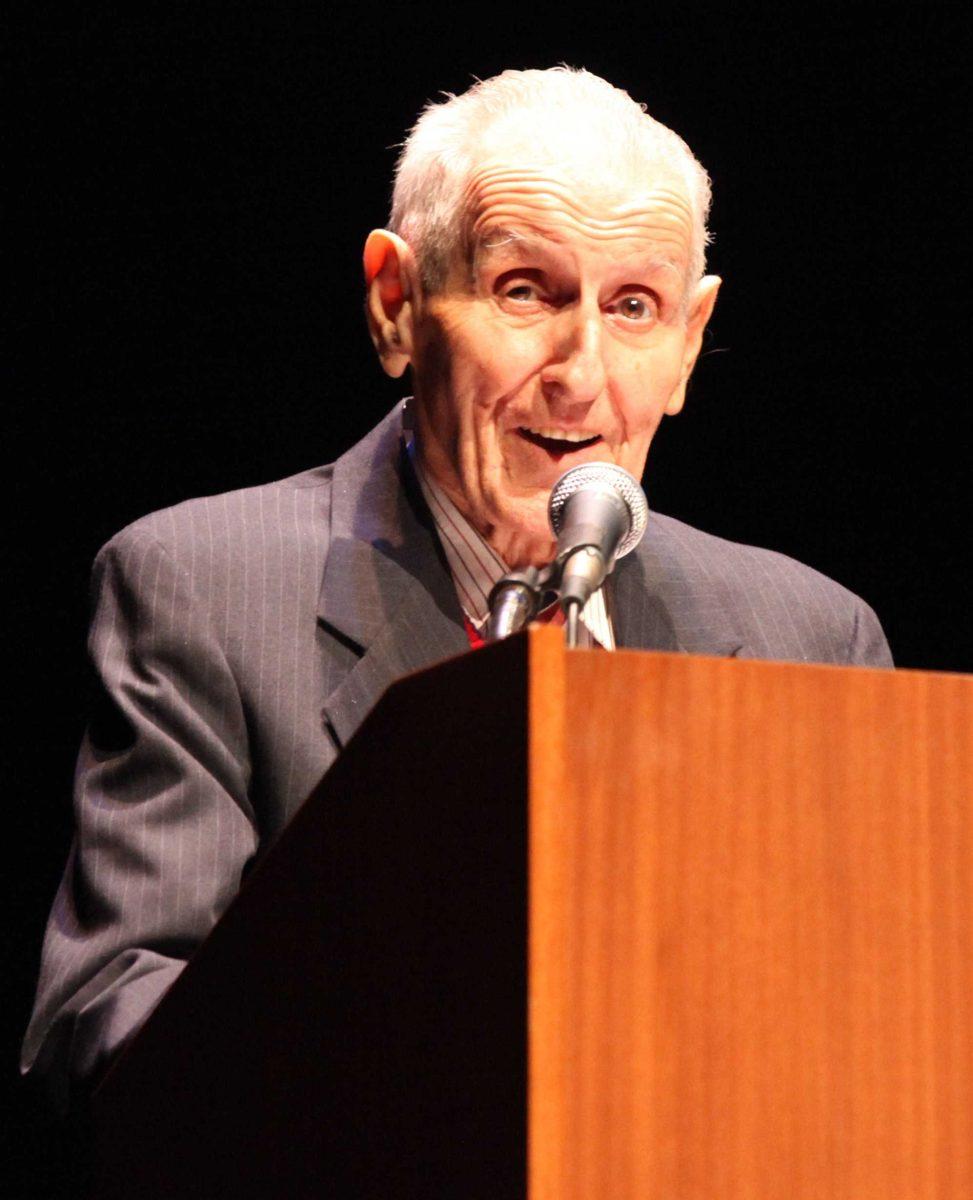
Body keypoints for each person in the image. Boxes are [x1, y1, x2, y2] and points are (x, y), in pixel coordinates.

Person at [23, 66, 892, 1109]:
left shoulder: (813, 636)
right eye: (525, 291)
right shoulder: (203, 590)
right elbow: (109, 1020)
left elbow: (891, 1030)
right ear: (397, 305)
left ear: (690, 342)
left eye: (634, 307)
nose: (580, 372)